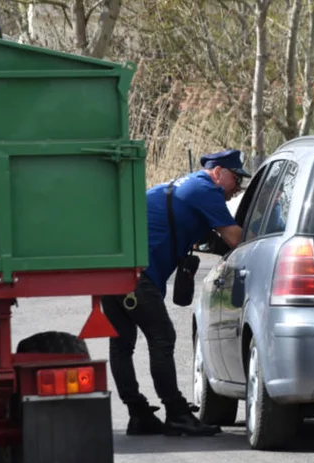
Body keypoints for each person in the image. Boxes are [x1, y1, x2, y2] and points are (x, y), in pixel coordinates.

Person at [101, 149, 249, 436]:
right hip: (138, 276)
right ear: (218, 173)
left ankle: (138, 413)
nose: (237, 188)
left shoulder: (183, 184)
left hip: (114, 268)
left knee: (122, 344)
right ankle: (176, 413)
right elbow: (235, 239)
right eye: (235, 179)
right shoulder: (206, 189)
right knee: (162, 337)